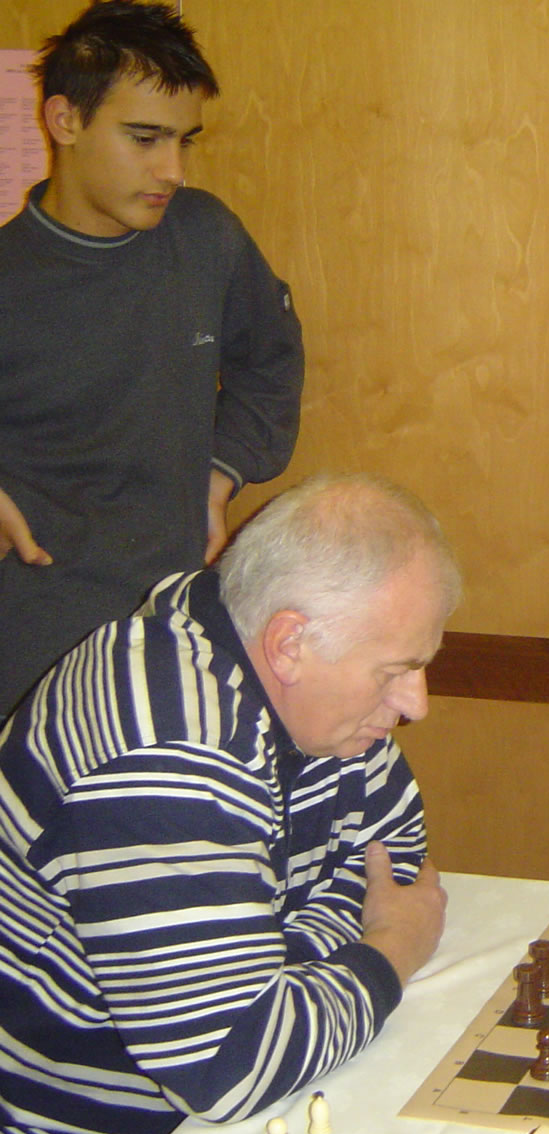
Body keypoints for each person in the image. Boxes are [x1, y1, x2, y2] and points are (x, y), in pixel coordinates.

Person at [0, 474, 455, 1134]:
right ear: (289, 643)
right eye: (393, 672)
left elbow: (396, 856)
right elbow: (228, 1069)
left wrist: (274, 980)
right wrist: (388, 952)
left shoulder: (302, 690)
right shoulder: (166, 750)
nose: (416, 704)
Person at [0, 0, 304, 720]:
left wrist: (221, 474)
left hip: (181, 627)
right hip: (34, 645)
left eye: (183, 141)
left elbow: (270, 361)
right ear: (64, 120)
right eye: (144, 138)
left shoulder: (205, 236)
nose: (171, 169)